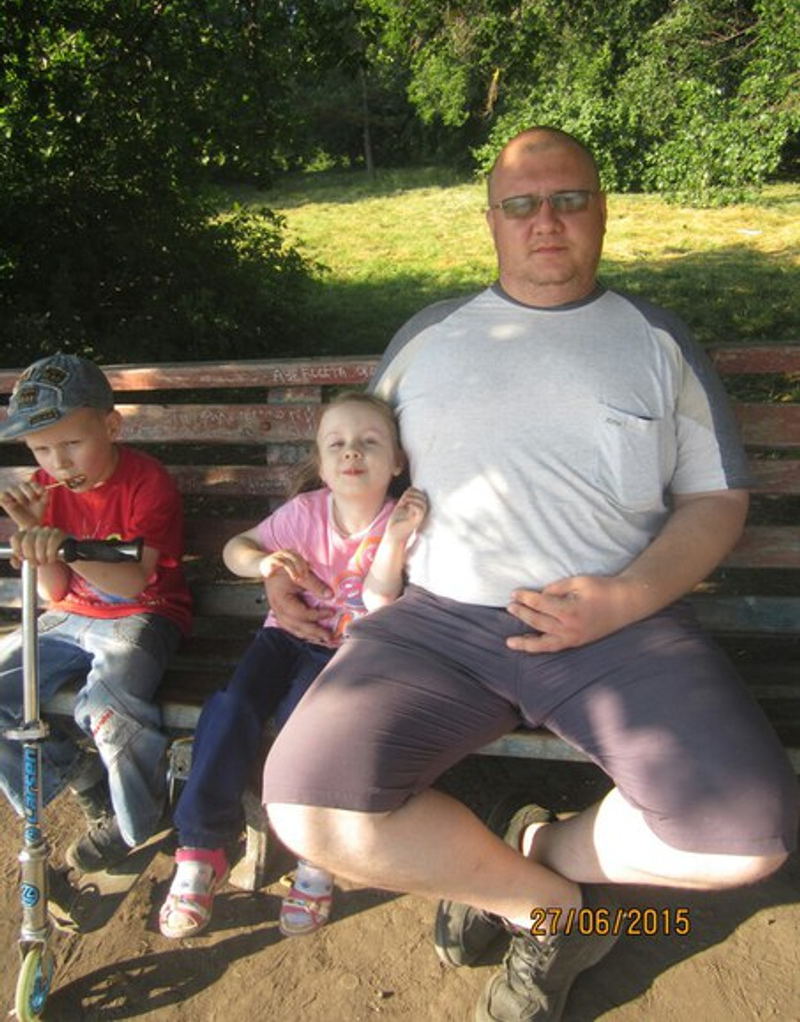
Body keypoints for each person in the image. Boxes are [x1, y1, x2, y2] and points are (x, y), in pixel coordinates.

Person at [260, 128, 798, 1022]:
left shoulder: (656, 339)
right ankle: (546, 909)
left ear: (602, 211)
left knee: (747, 841)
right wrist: (291, 566)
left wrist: (627, 596)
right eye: (521, 204)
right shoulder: (429, 337)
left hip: (620, 626)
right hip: (436, 624)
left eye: (568, 199)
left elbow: (716, 499)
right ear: (491, 221)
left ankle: (544, 846)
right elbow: (356, 476)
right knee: (308, 808)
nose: (545, 220)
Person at [158, 392, 427, 940]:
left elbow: (381, 602)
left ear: (397, 461)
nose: (352, 452)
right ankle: (201, 848)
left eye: (369, 442)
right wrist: (264, 563)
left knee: (303, 726)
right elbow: (236, 548)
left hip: (347, 652)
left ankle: (316, 855)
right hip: (283, 639)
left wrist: (397, 539)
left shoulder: (401, 520)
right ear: (322, 464)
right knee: (230, 706)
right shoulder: (305, 513)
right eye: (337, 444)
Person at [0, 352, 191, 873]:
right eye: (42, 449)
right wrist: (32, 536)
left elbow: (133, 582)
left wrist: (63, 544)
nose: (58, 463)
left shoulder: (147, 482)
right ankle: (82, 779)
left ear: (110, 426)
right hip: (69, 616)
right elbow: (56, 590)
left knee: (109, 708)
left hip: (143, 614)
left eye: (71, 444)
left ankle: (138, 820)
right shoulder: (43, 491)